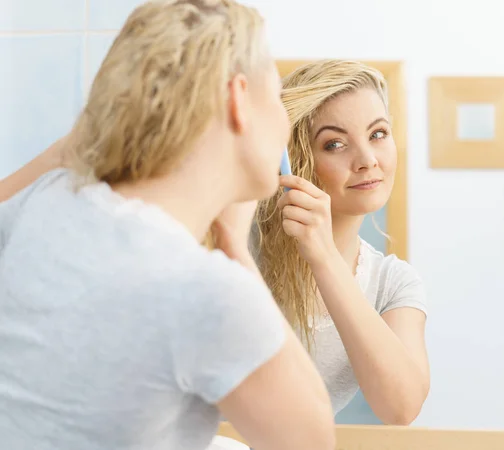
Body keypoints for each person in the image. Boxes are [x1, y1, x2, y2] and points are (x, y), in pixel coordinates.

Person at [0, 1, 336, 449]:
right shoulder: (206, 290)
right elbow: (310, 441)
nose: (284, 120)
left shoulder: (49, 199)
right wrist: (235, 249)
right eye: (275, 96)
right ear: (239, 100)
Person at [255, 59, 430, 425]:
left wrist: (324, 257)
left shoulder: (392, 283)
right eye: (334, 144)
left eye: (378, 134)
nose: (367, 160)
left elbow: (400, 408)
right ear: (297, 158)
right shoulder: (243, 247)